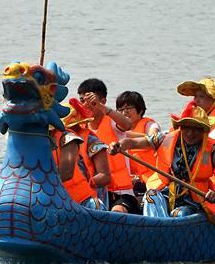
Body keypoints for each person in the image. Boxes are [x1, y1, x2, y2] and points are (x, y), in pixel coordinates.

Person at [112, 106, 215, 220]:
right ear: (181, 127)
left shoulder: (212, 150)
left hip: (192, 200)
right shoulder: (163, 138)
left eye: (196, 129)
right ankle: (157, 228)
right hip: (165, 192)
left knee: (178, 214)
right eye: (187, 128)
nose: (191, 133)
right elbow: (132, 142)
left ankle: (163, 228)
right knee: (151, 196)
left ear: (204, 130)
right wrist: (119, 146)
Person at [78, 78, 137, 214]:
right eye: (82, 101)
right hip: (93, 191)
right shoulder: (79, 128)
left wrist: (101, 107)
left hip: (120, 192)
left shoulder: (112, 122)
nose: (86, 105)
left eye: (91, 102)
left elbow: (128, 125)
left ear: (103, 101)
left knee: (116, 212)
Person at [51, 98, 111, 210]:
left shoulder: (90, 141)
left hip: (88, 192)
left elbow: (105, 175)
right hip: (61, 193)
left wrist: (88, 182)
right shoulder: (50, 139)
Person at [115, 91, 161, 190]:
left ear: (140, 110)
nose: (124, 112)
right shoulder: (116, 128)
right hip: (128, 178)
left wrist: (125, 136)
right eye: (120, 109)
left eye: (128, 108)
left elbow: (155, 137)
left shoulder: (149, 125)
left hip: (151, 179)